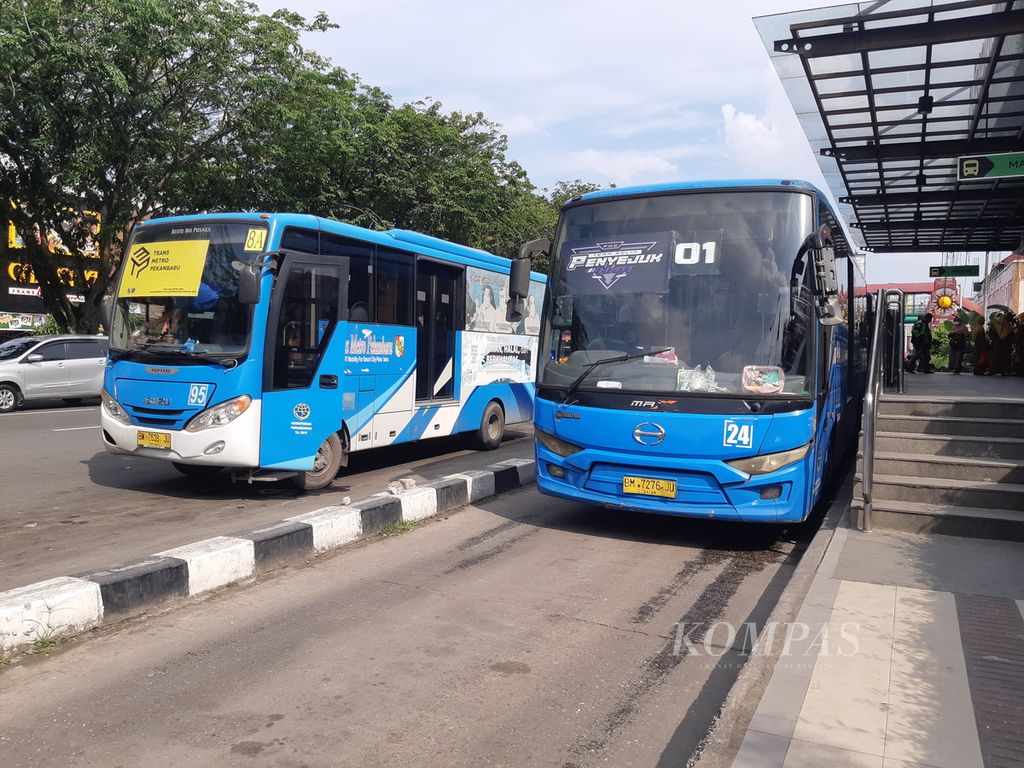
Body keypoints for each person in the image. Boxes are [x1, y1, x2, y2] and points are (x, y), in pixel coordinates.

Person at [989, 312, 1013, 376]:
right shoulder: (1009, 327)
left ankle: (994, 370)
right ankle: (1004, 371)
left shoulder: (996, 327)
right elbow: (1012, 337)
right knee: (1005, 358)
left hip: (997, 345)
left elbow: (991, 335)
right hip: (1006, 346)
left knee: (996, 357)